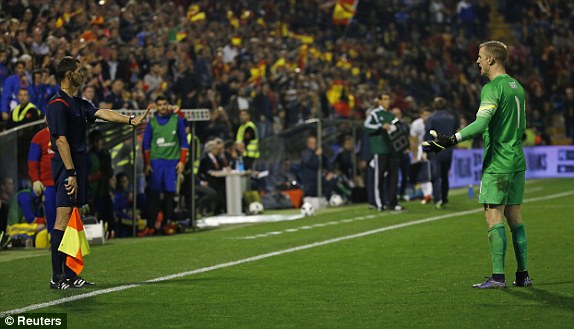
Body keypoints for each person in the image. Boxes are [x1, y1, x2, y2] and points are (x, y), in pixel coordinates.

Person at [423, 41, 531, 289]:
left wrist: (451, 140)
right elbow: (521, 126)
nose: (477, 61)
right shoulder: (517, 87)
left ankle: (498, 277)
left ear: (491, 60)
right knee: (515, 217)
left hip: (498, 163)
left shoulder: (492, 88)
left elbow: (481, 124)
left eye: (480, 57)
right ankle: (523, 275)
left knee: (494, 217)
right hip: (516, 159)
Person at [45, 56, 151, 290]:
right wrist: (70, 172)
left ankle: (71, 274)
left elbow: (103, 112)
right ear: (68, 74)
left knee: (74, 218)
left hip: (78, 168)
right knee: (63, 218)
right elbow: (60, 141)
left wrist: (131, 121)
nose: (84, 74)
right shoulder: (56, 104)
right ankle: (56, 276)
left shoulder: (78, 103)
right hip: (67, 168)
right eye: (80, 71)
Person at [141, 95, 189, 236]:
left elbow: (184, 142)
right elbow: (146, 145)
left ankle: (167, 224)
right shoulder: (152, 123)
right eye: (160, 104)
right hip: (156, 163)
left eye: (164, 104)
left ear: (168, 105)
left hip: (172, 163)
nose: (162, 107)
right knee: (153, 196)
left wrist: (182, 161)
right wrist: (148, 163)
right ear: (156, 106)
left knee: (169, 195)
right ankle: (151, 226)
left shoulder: (177, 120)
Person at [364, 93, 404, 211]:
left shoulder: (390, 115)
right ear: (380, 101)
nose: (387, 101)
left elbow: (397, 128)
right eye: (385, 99)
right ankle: (378, 203)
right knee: (379, 178)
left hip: (392, 150)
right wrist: (381, 126)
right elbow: (366, 126)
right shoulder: (375, 114)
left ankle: (392, 202)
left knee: (393, 177)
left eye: (388, 99)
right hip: (379, 149)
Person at [425, 97, 457, 209]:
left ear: (434, 106)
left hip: (436, 151)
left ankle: (437, 199)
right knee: (445, 175)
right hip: (448, 151)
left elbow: (428, 136)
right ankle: (445, 198)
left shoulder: (431, 118)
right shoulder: (451, 118)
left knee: (435, 176)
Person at [28, 126, 56, 233]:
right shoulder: (38, 137)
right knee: (50, 213)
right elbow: (32, 162)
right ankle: (53, 239)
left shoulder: (66, 133)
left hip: (65, 181)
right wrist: (36, 180)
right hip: (48, 184)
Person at [409, 107, 433, 204]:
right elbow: (413, 140)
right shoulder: (416, 124)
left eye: (428, 114)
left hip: (433, 146)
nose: (427, 117)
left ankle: (429, 193)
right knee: (422, 171)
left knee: (431, 170)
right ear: (421, 115)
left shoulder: (433, 122)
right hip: (421, 147)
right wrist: (414, 156)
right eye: (425, 114)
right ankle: (426, 194)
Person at [391, 107, 411, 201]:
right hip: (394, 154)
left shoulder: (404, 125)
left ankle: (402, 193)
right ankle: (393, 194)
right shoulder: (390, 125)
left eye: (398, 113)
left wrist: (408, 148)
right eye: (394, 114)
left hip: (404, 153)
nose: (396, 115)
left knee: (405, 175)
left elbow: (408, 137)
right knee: (393, 175)